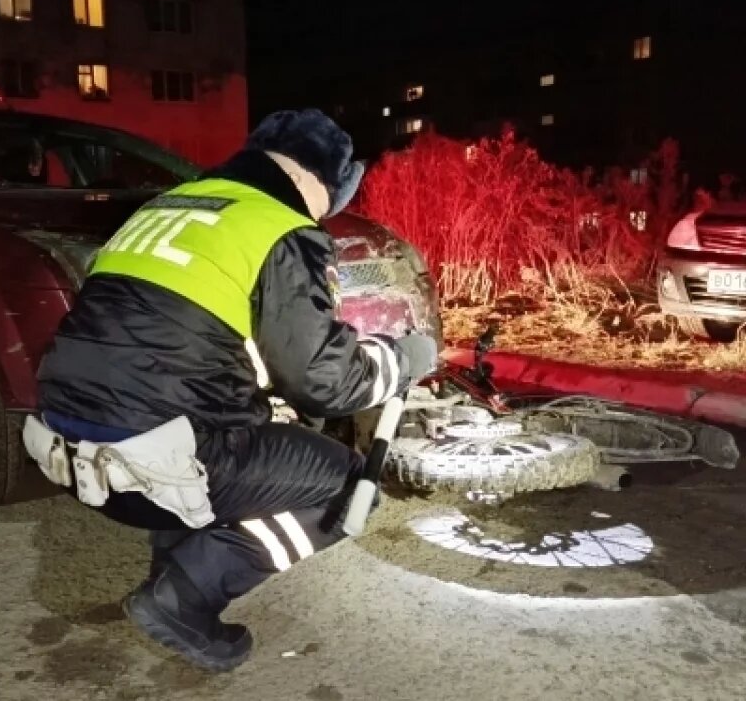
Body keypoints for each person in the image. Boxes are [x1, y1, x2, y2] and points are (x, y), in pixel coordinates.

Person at [28, 109, 438, 671]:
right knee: (348, 487)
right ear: (309, 178)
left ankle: (174, 570)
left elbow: (181, 337)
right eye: (329, 199)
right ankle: (182, 598)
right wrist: (400, 358)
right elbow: (325, 382)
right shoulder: (278, 226)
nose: (325, 215)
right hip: (157, 464)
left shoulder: (168, 208)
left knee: (224, 421)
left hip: (68, 448)